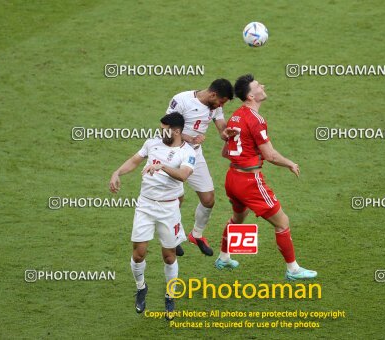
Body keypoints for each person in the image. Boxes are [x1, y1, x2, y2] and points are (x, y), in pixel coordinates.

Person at [216, 74, 317, 281]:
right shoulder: (256, 120)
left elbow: (225, 152)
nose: (262, 85)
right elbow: (270, 155)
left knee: (238, 218)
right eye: (257, 85)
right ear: (251, 96)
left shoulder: (237, 115)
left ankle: (224, 257)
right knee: (282, 222)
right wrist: (290, 163)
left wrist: (250, 153)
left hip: (232, 178)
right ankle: (293, 270)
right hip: (248, 182)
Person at [109, 112, 195, 319]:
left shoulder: (187, 152)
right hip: (145, 206)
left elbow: (183, 176)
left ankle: (170, 295)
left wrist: (162, 166)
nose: (159, 132)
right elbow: (134, 160)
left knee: (169, 256)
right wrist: (116, 173)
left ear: (176, 131)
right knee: (139, 253)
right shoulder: (152, 143)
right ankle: (141, 288)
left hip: (168, 209)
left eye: (164, 129)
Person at [166, 79, 234, 256]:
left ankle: (196, 235)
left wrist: (225, 133)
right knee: (175, 200)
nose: (220, 106)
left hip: (195, 155)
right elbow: (166, 129)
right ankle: (172, 237)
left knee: (208, 199)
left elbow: (221, 125)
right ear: (212, 95)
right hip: (174, 154)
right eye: (221, 102)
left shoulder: (214, 106)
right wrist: (189, 138)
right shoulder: (181, 100)